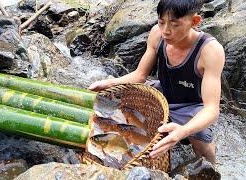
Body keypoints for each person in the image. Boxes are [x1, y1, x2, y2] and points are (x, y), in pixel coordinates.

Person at [88, 0, 225, 165]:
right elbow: (139, 75)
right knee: (119, 104)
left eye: (175, 24)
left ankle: (213, 169)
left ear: (194, 22)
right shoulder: (156, 34)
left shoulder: (210, 51)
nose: (166, 31)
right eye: (161, 22)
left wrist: (183, 131)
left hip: (192, 105)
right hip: (162, 93)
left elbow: (212, 109)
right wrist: (111, 83)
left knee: (201, 143)